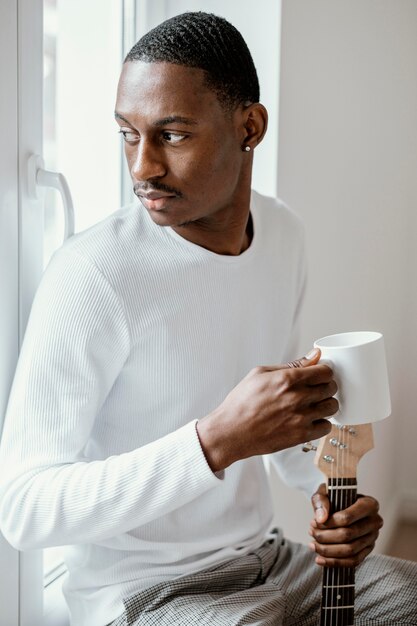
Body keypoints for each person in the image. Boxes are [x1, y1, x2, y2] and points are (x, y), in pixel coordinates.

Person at [0, 11, 415, 626]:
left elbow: (282, 424)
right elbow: (24, 509)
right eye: (127, 134)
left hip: (269, 560)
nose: (142, 167)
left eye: (171, 135)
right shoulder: (93, 273)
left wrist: (329, 496)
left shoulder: (283, 236)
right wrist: (215, 441)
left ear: (249, 127)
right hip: (149, 593)